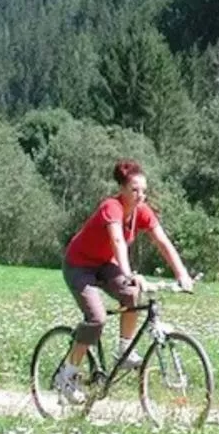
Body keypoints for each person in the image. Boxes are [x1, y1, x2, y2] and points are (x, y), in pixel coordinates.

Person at [54, 159, 195, 403]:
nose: (140, 196)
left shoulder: (142, 212)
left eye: (144, 191)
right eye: (134, 190)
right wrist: (128, 273)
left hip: (104, 264)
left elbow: (163, 241)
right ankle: (66, 375)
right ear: (122, 189)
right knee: (96, 319)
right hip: (79, 265)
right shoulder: (112, 207)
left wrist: (182, 274)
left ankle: (124, 350)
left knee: (131, 294)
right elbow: (117, 241)